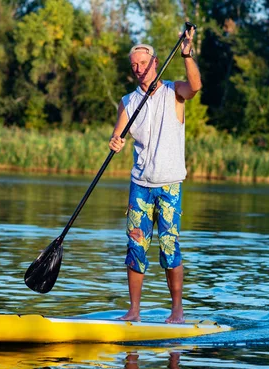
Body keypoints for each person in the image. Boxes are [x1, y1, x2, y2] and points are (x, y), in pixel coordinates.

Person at [108, 27, 201, 324]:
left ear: (155, 62)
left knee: (169, 246)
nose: (138, 69)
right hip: (140, 186)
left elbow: (195, 86)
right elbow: (118, 135)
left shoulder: (174, 92)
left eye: (142, 64)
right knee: (136, 246)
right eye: (133, 65)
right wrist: (116, 141)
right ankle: (133, 310)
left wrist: (187, 53)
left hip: (169, 184)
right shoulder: (128, 101)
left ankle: (177, 310)